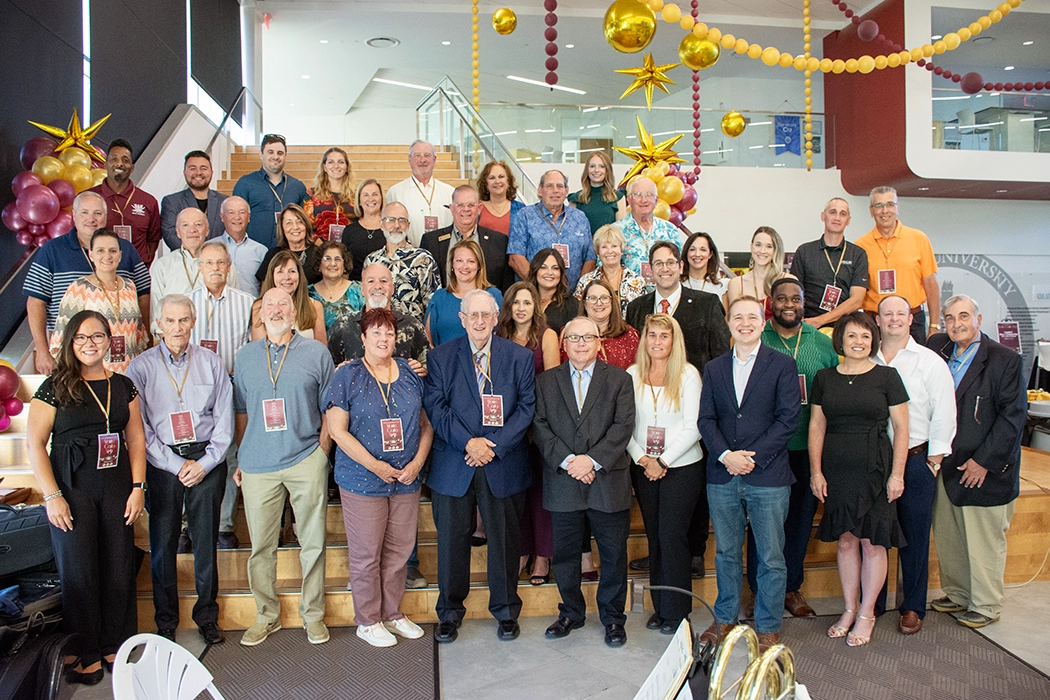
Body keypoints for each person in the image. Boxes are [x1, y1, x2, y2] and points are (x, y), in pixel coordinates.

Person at [27, 310, 147, 684]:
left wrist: (138, 488)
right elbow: (33, 444)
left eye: (97, 336)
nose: (89, 344)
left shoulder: (123, 385)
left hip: (116, 484)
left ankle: (115, 643)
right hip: (71, 487)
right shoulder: (54, 386)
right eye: (81, 337)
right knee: (79, 570)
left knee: (117, 564)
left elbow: (137, 439)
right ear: (70, 342)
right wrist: (52, 496)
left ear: (109, 340)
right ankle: (85, 651)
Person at [423, 290, 535, 644]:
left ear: (497, 316)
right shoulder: (440, 357)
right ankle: (450, 613)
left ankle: (505, 611)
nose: (480, 321)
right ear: (461, 318)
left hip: (502, 463)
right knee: (451, 545)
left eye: (486, 315)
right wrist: (468, 443)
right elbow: (436, 406)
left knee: (504, 541)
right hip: (455, 463)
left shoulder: (519, 357)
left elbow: (527, 408)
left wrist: (493, 446)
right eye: (473, 315)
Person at [126, 295, 232, 646]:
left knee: (205, 543)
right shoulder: (140, 368)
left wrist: (203, 465)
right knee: (163, 543)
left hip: (207, 461)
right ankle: (166, 621)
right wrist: (174, 464)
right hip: (162, 463)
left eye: (183, 320)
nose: (176, 328)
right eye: (170, 321)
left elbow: (224, 422)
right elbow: (139, 429)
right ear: (158, 324)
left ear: (193, 320)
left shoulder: (212, 362)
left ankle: (207, 617)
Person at [325, 307, 433, 647]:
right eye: (376, 333)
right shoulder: (348, 375)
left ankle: (392, 613)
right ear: (364, 339)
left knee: (400, 550)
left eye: (389, 333)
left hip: (406, 478)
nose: (384, 339)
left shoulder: (410, 373)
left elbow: (427, 424)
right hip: (363, 479)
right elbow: (337, 431)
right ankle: (368, 619)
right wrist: (376, 466)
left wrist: (417, 462)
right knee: (367, 553)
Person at [698, 296, 801, 653]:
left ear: (763, 322)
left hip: (767, 476)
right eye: (737, 318)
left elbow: (789, 419)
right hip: (723, 474)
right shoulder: (713, 368)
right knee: (726, 552)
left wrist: (751, 458)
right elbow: (706, 420)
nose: (744, 323)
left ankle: (768, 625)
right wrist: (727, 455)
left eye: (751, 317)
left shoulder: (783, 365)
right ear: (728, 323)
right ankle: (725, 618)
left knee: (771, 556)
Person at [232, 287, 335, 647]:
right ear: (260, 314)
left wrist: (322, 451)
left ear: (294, 313)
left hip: (306, 457)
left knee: (313, 543)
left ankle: (314, 615)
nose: (277, 310)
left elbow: (330, 408)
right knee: (261, 547)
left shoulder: (317, 353)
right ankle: (267, 616)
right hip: (258, 463)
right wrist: (243, 456)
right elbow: (241, 411)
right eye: (270, 305)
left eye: (283, 305)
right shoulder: (244, 357)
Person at [626, 241, 731, 577]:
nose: (665, 268)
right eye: (658, 263)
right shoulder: (638, 307)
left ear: (681, 265)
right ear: (650, 269)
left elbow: (719, 355)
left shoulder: (706, 302)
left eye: (671, 262)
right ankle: (666, 562)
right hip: (652, 412)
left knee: (687, 507)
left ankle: (694, 552)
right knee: (662, 528)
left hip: (693, 410)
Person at [533, 316, 635, 648]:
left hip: (607, 480)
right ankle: (571, 613)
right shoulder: (546, 381)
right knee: (564, 555)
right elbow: (540, 426)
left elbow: (623, 426)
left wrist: (590, 461)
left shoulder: (620, 379)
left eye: (587, 337)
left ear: (598, 341)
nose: (580, 343)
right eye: (573, 337)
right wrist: (570, 462)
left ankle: (613, 619)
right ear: (563, 343)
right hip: (563, 480)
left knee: (613, 554)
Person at [809, 312, 909, 647]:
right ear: (840, 339)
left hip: (877, 470)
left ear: (873, 340)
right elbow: (817, 426)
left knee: (873, 541)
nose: (858, 342)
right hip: (837, 470)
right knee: (847, 540)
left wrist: (897, 474)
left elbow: (903, 429)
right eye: (852, 336)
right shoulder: (825, 377)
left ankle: (867, 613)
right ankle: (849, 608)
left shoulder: (887, 376)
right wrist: (815, 470)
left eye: (865, 337)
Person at [928, 295, 1026, 629]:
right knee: (950, 535)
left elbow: (1012, 419)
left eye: (964, 316)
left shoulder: (1004, 360)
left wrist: (983, 462)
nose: (957, 324)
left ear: (979, 319)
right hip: (945, 463)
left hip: (984, 469)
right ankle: (957, 594)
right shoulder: (938, 348)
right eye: (950, 318)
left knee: (983, 542)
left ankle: (985, 605)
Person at [744, 279, 840, 619]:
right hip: (767, 448)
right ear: (771, 302)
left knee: (799, 520)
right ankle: (757, 590)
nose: (789, 304)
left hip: (808, 448)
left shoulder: (821, 343)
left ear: (804, 302)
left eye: (795, 299)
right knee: (762, 522)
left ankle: (789, 587)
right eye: (781, 298)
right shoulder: (756, 337)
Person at [873, 295, 957, 634]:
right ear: (876, 320)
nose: (893, 319)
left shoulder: (929, 361)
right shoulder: (866, 356)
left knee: (915, 537)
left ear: (911, 319)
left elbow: (945, 412)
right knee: (875, 537)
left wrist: (934, 460)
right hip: (874, 463)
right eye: (886, 314)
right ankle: (873, 603)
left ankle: (912, 607)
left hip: (917, 461)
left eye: (900, 314)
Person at [627, 314, 703, 634]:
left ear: (674, 341)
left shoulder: (687, 375)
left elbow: (694, 427)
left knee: (672, 537)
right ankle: (660, 607)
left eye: (663, 336)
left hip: (682, 467)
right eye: (652, 335)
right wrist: (643, 458)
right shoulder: (632, 374)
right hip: (643, 466)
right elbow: (625, 424)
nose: (657, 341)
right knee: (655, 537)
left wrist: (663, 461)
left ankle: (677, 611)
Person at [25, 191, 151, 374]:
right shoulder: (52, 250)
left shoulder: (126, 250)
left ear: (106, 217)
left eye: (98, 213)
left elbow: (143, 297)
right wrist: (43, 351)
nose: (91, 219)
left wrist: (146, 345)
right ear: (74, 216)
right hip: (79, 359)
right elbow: (35, 302)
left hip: (125, 362)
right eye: (84, 212)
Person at [188, 241, 255, 551]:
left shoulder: (247, 302)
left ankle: (225, 525)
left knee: (229, 453)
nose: (215, 268)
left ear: (230, 268)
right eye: (209, 263)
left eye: (220, 263)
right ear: (199, 268)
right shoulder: (185, 305)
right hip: (192, 391)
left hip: (232, 386)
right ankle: (190, 523)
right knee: (194, 452)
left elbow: (253, 348)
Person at [495, 282, 560, 586]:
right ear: (508, 307)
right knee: (515, 493)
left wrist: (540, 424)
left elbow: (552, 384)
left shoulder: (546, 336)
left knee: (540, 494)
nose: (521, 308)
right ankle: (522, 551)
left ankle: (543, 556)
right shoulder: (499, 337)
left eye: (527, 302)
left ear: (536, 307)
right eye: (516, 303)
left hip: (538, 426)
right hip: (507, 428)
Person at [48, 228, 150, 373]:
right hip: (94, 373)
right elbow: (62, 338)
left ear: (120, 255)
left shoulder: (130, 286)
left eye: (113, 251)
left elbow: (139, 335)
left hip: (130, 373)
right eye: (100, 250)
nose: (107, 256)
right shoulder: (78, 288)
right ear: (91, 254)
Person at [855, 186, 940, 343]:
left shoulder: (919, 239)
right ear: (871, 211)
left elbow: (931, 286)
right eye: (878, 206)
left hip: (912, 321)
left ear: (898, 208)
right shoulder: (860, 246)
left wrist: (934, 326)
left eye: (890, 205)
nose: (884, 211)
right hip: (874, 322)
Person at [150, 208, 239, 338]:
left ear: (207, 230)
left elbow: (233, 303)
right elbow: (156, 317)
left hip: (215, 338)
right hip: (175, 341)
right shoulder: (163, 265)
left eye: (198, 224)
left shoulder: (223, 263)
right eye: (185, 225)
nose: (193, 230)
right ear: (178, 232)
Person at [328, 263, 429, 376]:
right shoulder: (343, 326)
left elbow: (428, 366)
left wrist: (423, 370)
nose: (378, 286)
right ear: (362, 289)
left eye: (384, 281)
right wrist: (337, 371)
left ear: (392, 288)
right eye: (371, 281)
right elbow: (328, 367)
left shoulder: (412, 325)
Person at [508, 170, 595, 292]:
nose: (555, 190)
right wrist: (539, 289)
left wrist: (579, 292)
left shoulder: (580, 218)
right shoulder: (525, 216)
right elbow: (515, 258)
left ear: (566, 190)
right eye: (549, 186)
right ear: (540, 190)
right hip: (534, 297)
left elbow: (590, 258)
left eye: (560, 186)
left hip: (572, 300)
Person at [788, 198, 868, 329]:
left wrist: (821, 320)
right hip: (809, 326)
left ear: (848, 220)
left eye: (843, 214)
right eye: (833, 212)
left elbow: (857, 299)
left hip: (845, 328)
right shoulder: (804, 251)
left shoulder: (858, 254)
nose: (837, 217)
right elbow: (794, 293)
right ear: (823, 216)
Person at [422, 184, 511, 292]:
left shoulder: (499, 241)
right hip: (445, 306)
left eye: (471, 205)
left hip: (486, 307)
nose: (466, 209)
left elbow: (506, 285)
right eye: (460, 205)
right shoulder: (431, 241)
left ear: (479, 208)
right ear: (452, 208)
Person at [362, 203, 441, 324]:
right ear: (381, 224)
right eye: (390, 220)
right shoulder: (371, 260)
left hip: (412, 335)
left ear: (408, 225)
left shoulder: (422, 259)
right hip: (377, 334)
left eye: (402, 220)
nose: (396, 225)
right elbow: (365, 300)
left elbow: (433, 306)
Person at [89, 138, 161, 265]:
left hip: (136, 274)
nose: (119, 164)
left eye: (125, 160)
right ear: (105, 165)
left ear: (132, 167)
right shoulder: (89, 198)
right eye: (114, 159)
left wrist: (143, 262)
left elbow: (153, 239)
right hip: (98, 273)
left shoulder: (148, 201)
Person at [232, 134, 308, 248]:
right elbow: (235, 219)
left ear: (285, 155)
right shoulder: (245, 183)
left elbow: (305, 222)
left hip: (288, 253)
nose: (276, 156)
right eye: (270, 152)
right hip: (254, 252)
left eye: (280, 153)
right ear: (261, 154)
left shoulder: (298, 186)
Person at [425, 239, 504, 347]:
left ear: (479, 266)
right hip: (444, 362)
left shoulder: (493, 295)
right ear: (452, 264)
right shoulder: (439, 297)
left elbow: (500, 337)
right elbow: (428, 339)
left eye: (471, 261)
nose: (465, 266)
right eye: (459, 260)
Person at [386, 140, 454, 246]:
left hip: (444, 255)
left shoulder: (450, 192)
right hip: (408, 256)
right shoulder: (395, 192)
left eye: (427, 155)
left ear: (434, 159)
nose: (423, 160)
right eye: (417, 155)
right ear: (409, 159)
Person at [615, 177, 684, 281]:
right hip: (628, 294)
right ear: (629, 200)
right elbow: (604, 267)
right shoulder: (616, 231)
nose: (643, 200)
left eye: (648, 195)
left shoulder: (670, 230)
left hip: (664, 293)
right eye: (638, 195)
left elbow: (681, 265)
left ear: (656, 200)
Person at [251, 251, 326, 344]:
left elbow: (321, 351)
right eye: (280, 272)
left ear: (299, 275)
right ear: (272, 276)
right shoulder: (259, 307)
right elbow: (259, 350)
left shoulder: (315, 306)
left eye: (292, 271)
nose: (286, 277)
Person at [573, 224, 649, 316]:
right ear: (598, 252)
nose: (609, 251)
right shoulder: (586, 281)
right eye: (604, 247)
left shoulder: (636, 280)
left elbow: (643, 315)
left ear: (621, 250)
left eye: (614, 246)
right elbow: (579, 314)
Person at [160, 150, 227, 251]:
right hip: (183, 262)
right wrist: (196, 255)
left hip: (217, 262)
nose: (198, 173)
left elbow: (230, 234)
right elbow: (170, 235)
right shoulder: (171, 201)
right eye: (192, 168)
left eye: (203, 168)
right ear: (184, 172)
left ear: (211, 173)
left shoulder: (225, 201)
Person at [726, 226, 794, 319]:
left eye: (769, 246)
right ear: (751, 246)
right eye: (758, 245)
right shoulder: (736, 284)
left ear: (775, 250)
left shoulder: (789, 281)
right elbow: (735, 320)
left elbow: (794, 320)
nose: (762, 251)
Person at [577, 279, 639, 369]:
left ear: (612, 301)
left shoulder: (630, 336)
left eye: (604, 298)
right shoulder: (571, 335)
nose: (599, 303)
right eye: (592, 298)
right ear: (585, 303)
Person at [256, 204, 324, 286]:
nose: (295, 227)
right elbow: (265, 289)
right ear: (282, 229)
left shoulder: (319, 254)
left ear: (306, 226)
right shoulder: (273, 255)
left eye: (299, 222)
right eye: (289, 223)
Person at [217, 196, 268, 298]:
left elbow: (265, 288)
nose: (237, 217)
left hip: (251, 310)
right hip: (218, 310)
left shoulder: (261, 251)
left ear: (248, 217)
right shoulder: (209, 248)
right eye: (231, 212)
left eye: (242, 212)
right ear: (222, 217)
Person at [308, 241, 364, 330]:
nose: (333, 264)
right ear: (319, 264)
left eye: (337, 259)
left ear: (344, 265)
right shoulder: (308, 293)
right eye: (327, 259)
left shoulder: (359, 290)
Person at [567, 151, 626, 234]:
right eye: (592, 166)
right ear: (587, 170)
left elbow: (621, 233)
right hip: (583, 246)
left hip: (608, 246)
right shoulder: (576, 198)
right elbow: (570, 230)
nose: (596, 170)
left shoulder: (618, 197)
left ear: (607, 170)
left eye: (602, 166)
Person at [303, 147, 356, 237]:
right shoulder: (311, 194)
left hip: (349, 247)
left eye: (341, 162)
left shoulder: (356, 196)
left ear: (347, 167)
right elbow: (305, 225)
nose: (336, 166)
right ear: (324, 167)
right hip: (319, 247)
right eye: (331, 162)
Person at [341, 178, 385, 282]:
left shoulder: (392, 228)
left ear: (381, 199)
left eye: (375, 194)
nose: (371, 199)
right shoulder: (349, 230)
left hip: (385, 288)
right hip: (355, 289)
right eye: (365, 195)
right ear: (359, 201)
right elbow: (344, 267)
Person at [526, 248, 579, 334]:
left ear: (561, 273)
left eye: (555, 268)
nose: (549, 273)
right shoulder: (522, 299)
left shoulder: (572, 304)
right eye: (543, 267)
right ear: (535, 270)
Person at [681, 231, 730, 307]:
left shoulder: (721, 286)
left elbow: (725, 318)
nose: (697, 254)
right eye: (692, 249)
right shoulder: (677, 285)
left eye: (703, 250)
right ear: (686, 253)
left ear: (710, 254)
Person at [477, 160, 525, 236]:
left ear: (508, 181)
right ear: (486, 184)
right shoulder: (477, 208)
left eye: (501, 177)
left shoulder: (521, 209)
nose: (497, 181)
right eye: (492, 178)